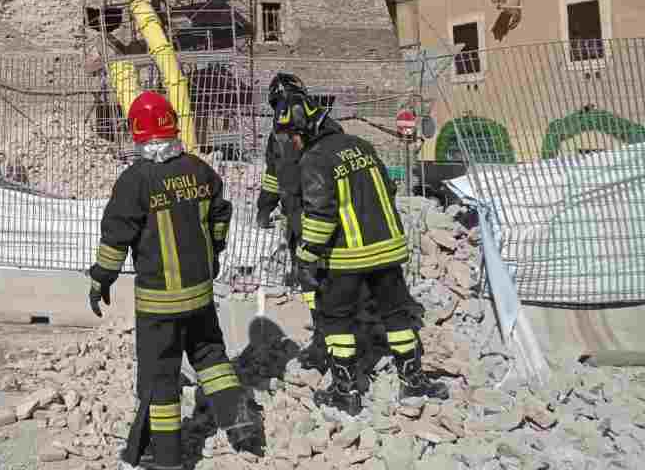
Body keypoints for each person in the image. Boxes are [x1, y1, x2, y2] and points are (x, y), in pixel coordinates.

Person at [87, 90, 261, 469]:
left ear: (136, 131)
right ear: (172, 124)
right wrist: (214, 256)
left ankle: (166, 458)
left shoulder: (135, 180)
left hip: (159, 305)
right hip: (199, 296)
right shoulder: (200, 170)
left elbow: (116, 237)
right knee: (211, 357)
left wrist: (101, 278)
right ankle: (244, 423)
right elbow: (220, 216)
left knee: (160, 378)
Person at [272, 83, 448, 416]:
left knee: (335, 319)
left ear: (305, 128)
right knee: (397, 315)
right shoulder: (361, 145)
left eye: (291, 134)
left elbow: (322, 216)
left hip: (347, 257)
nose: (290, 141)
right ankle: (413, 381)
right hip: (388, 249)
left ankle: (346, 390)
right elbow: (389, 188)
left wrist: (306, 258)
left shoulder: (315, 159)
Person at [254, 72, 327, 372]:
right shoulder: (322, 124)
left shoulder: (276, 135)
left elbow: (273, 177)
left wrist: (264, 208)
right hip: (328, 209)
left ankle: (324, 335)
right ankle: (333, 332)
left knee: (309, 275)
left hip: (299, 211)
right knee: (330, 272)